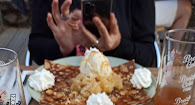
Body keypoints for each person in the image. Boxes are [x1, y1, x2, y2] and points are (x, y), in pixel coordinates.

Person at [28, 0, 156, 67]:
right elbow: (36, 49)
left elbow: (148, 56)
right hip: (62, 91)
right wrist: (62, 48)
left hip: (122, 92)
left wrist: (117, 45)